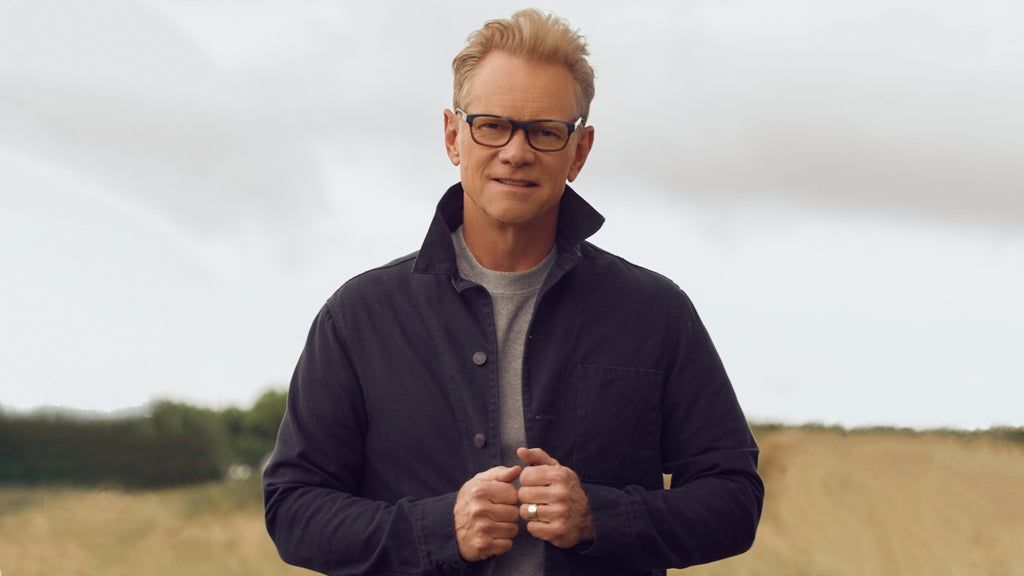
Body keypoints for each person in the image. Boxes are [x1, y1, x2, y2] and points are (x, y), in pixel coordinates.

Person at [263, 8, 763, 576]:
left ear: (579, 151)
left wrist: (599, 517)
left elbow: (734, 499)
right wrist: (439, 529)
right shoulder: (358, 318)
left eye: (545, 131)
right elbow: (293, 511)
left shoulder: (656, 313)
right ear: (453, 136)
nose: (516, 151)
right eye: (492, 125)